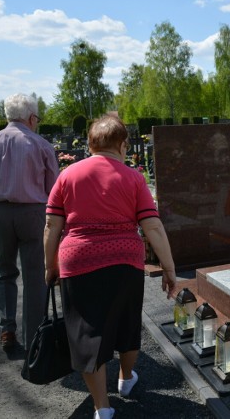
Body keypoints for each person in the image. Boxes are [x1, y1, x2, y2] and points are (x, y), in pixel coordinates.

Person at [44, 115, 177, 419]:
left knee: (87, 332)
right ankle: (126, 379)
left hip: (78, 261)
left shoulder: (67, 176)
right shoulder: (133, 178)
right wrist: (169, 269)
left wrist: (49, 265)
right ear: (122, 144)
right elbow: (152, 227)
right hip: (125, 261)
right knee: (127, 324)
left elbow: (52, 223)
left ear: (91, 144)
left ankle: (102, 407)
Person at [0, 93, 59, 351]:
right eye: (37, 118)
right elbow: (53, 190)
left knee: (4, 271)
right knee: (35, 276)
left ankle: (7, 330)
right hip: (34, 213)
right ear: (30, 117)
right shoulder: (41, 146)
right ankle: (34, 339)